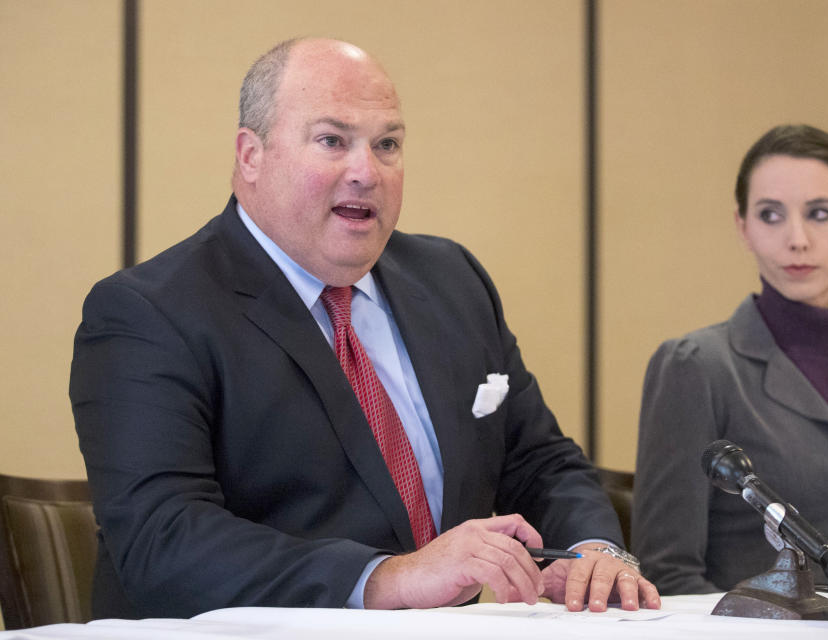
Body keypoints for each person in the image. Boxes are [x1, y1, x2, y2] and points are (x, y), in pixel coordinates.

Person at [69, 37, 660, 619]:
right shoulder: (149, 312)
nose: (366, 172)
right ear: (251, 156)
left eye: (387, 144)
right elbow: (162, 540)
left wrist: (594, 552)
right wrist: (387, 578)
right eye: (332, 141)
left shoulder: (452, 279)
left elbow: (540, 462)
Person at [630, 124, 828, 595]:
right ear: (744, 228)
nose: (797, 239)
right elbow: (669, 575)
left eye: (820, 214)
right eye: (770, 215)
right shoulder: (696, 367)